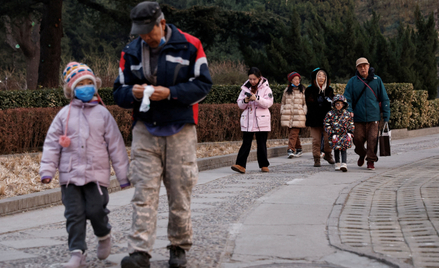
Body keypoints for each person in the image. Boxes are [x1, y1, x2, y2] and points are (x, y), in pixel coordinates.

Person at [112, 2, 212, 267]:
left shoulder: (190, 45)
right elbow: (117, 92)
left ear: (162, 24)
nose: (145, 36)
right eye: (140, 31)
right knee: (143, 192)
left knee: (180, 191)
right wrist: (131, 93)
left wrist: (171, 93)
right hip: (145, 129)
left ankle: (178, 247)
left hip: (181, 129)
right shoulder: (130, 51)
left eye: (149, 31)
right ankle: (139, 251)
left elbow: (204, 85)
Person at [40, 62, 130, 268]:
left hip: (96, 176)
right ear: (71, 89)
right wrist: (47, 170)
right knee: (74, 215)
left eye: (90, 83)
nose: (86, 87)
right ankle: (77, 252)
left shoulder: (103, 114)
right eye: (81, 84)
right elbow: (52, 145)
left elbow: (116, 145)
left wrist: (123, 176)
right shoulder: (63, 115)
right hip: (69, 177)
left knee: (96, 210)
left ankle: (104, 234)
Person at [344, 57, 390, 170]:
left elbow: (384, 98)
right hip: (358, 117)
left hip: (373, 117)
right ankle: (362, 153)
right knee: (357, 139)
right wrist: (349, 111)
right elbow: (347, 98)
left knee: (373, 139)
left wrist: (386, 115)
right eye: (360, 66)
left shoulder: (377, 80)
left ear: (369, 66)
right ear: (357, 68)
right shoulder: (353, 81)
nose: (363, 68)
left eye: (365, 65)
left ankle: (371, 161)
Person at [231, 67, 273, 173]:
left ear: (259, 78)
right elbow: (240, 104)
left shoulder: (266, 88)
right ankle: (240, 165)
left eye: (254, 79)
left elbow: (269, 103)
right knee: (246, 143)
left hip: (261, 120)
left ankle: (264, 165)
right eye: (250, 79)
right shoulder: (245, 88)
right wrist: (245, 100)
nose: (252, 81)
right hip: (248, 120)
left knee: (261, 143)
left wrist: (257, 98)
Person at [305, 67, 335, 167]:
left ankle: (328, 154)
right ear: (315, 78)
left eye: (324, 76)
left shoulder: (329, 90)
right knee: (316, 140)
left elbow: (331, 105)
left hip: (327, 120)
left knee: (328, 139)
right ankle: (316, 158)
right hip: (314, 119)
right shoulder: (309, 90)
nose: (321, 78)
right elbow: (310, 104)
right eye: (319, 75)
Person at [324, 94, 355, 172]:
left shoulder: (347, 114)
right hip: (335, 134)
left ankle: (344, 163)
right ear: (334, 104)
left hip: (344, 134)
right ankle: (337, 163)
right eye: (337, 103)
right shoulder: (330, 114)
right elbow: (326, 124)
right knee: (336, 149)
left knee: (344, 149)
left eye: (341, 103)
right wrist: (331, 133)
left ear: (344, 104)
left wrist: (350, 131)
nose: (339, 105)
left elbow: (351, 123)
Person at [280, 71, 307, 158]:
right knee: (293, 134)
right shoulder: (287, 90)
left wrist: (304, 111)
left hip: (298, 115)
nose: (297, 81)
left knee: (293, 133)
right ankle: (299, 149)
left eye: (298, 79)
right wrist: (282, 111)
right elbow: (283, 102)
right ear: (291, 80)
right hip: (288, 115)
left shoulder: (302, 90)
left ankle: (290, 149)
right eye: (295, 79)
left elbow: (305, 103)